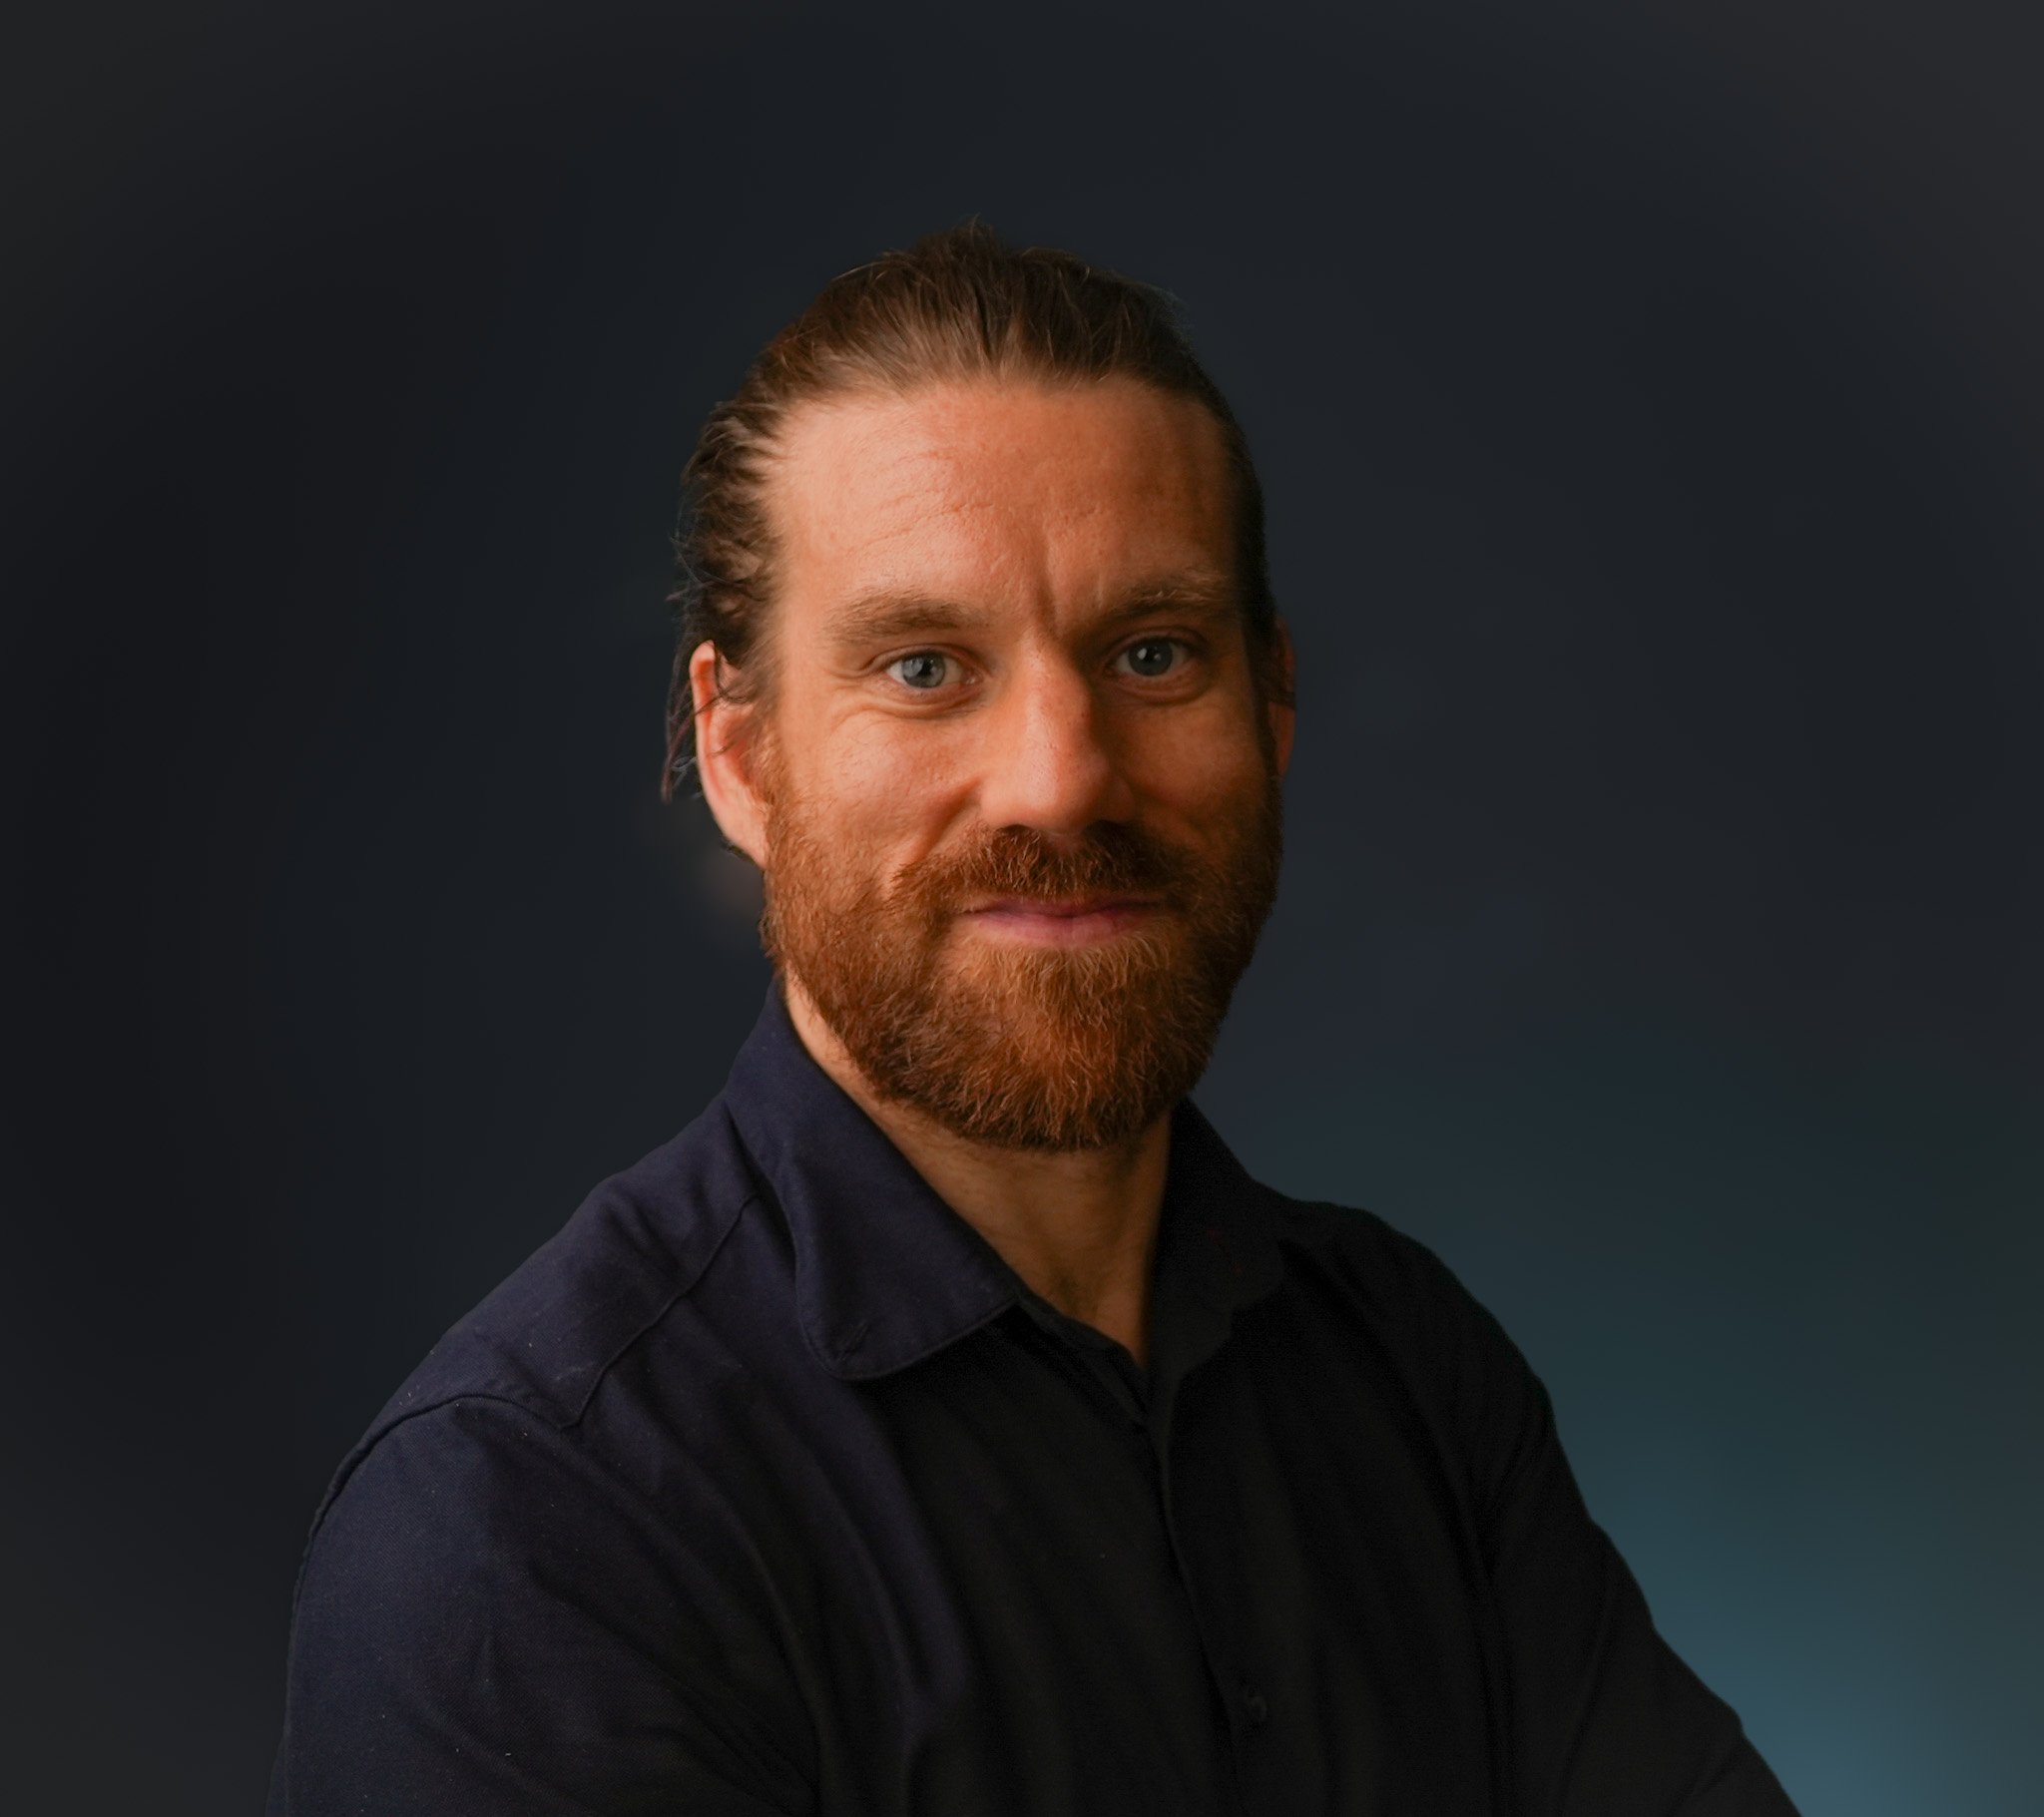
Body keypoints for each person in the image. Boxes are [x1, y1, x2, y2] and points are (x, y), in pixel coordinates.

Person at [266, 223, 1799, 1815]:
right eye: (926, 665)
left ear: (1270, 708)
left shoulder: (1410, 1368)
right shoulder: (530, 1514)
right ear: (741, 755)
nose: (1063, 776)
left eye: (1152, 652)